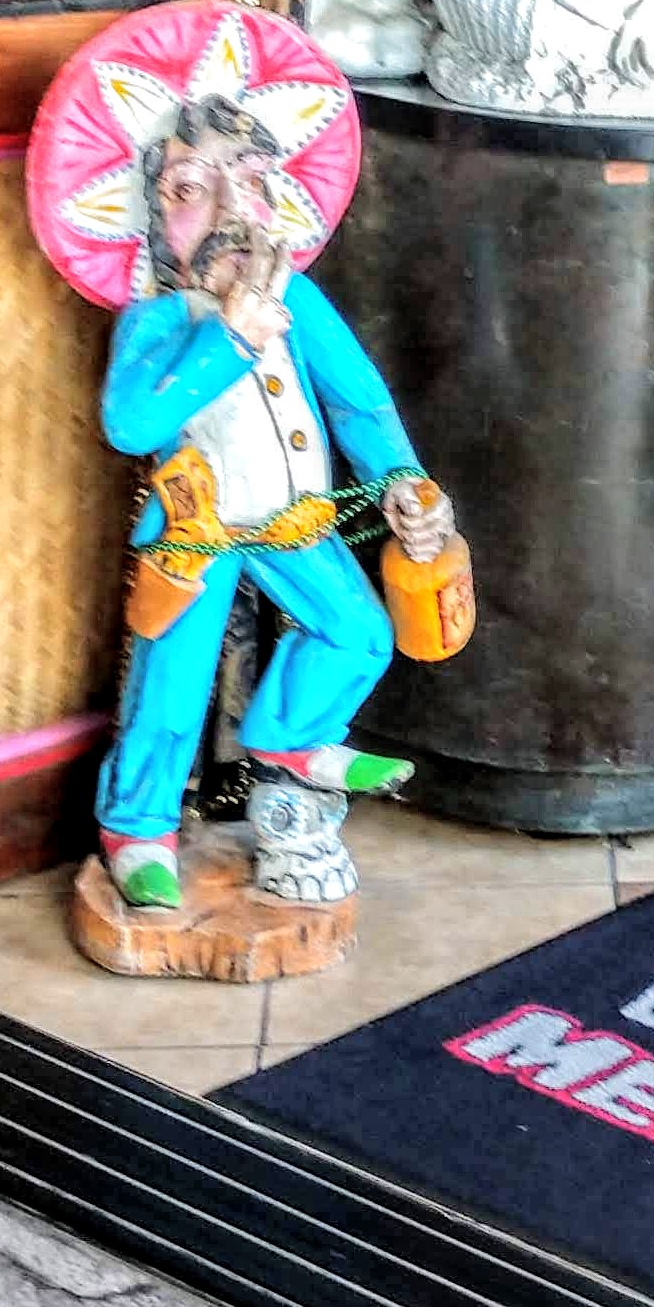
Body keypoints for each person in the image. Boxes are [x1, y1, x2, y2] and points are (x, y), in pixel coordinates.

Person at [92, 90, 459, 913]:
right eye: (191, 189)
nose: (228, 208)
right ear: (154, 216)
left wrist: (406, 480)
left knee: (358, 632)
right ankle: (137, 827)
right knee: (171, 682)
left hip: (293, 521)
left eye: (249, 181)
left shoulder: (302, 303)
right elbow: (132, 421)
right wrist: (227, 338)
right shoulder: (158, 319)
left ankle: (291, 736)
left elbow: (359, 403)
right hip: (195, 532)